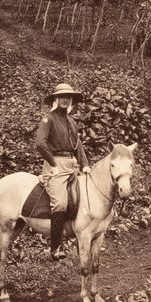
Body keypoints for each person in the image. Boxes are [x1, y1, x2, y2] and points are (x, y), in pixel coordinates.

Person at [35, 82, 90, 260]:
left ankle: (81, 236)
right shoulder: (48, 119)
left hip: (72, 164)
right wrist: (52, 163)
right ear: (56, 99)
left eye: (68, 97)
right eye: (61, 97)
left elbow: (77, 146)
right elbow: (40, 144)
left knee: (86, 197)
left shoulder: (72, 121)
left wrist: (85, 164)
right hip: (55, 164)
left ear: (71, 99)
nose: (65, 100)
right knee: (59, 203)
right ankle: (55, 247)